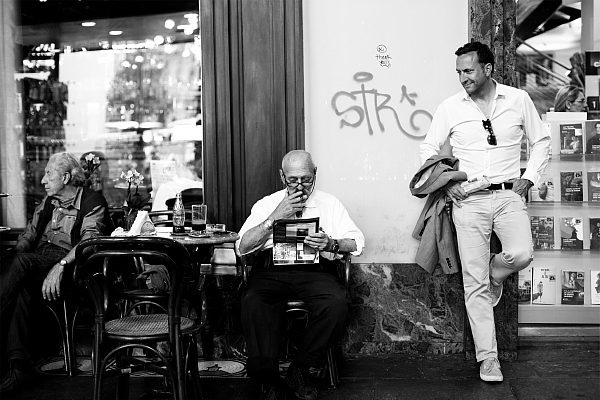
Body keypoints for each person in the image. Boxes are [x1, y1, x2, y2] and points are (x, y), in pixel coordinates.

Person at [420, 42, 551, 383]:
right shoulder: (450, 107)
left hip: (509, 195)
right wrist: (446, 184)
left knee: (521, 254)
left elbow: (542, 141)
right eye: (459, 72)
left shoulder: (518, 99)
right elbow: (429, 148)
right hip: (470, 201)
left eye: (469, 70)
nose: (463, 77)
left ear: (488, 69)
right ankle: (488, 358)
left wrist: (529, 178)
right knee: (472, 283)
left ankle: (497, 270)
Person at [236, 150, 364, 400]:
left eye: (306, 179)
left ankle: (301, 368)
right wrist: (275, 217)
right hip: (271, 272)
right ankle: (268, 379)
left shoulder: (329, 203)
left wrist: (330, 244)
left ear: (315, 174)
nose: (300, 186)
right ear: (282, 176)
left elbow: (357, 242)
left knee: (336, 304)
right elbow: (242, 246)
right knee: (254, 303)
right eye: (292, 180)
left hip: (314, 271)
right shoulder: (266, 203)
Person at [0, 153, 112, 394]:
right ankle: (19, 369)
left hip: (70, 267)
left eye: (48, 173)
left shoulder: (93, 202)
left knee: (20, 264)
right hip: (37, 261)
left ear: (66, 176)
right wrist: (10, 257)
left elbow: (89, 242)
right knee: (19, 283)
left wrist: (60, 266)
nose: (43, 180)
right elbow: (29, 236)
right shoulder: (48, 202)